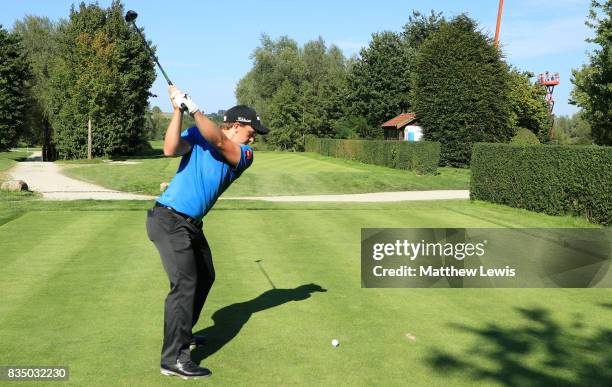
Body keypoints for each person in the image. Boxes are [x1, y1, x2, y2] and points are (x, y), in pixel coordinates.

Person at [146, 86, 269, 379]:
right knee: (185, 284)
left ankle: (183, 334)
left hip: (189, 225)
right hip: (168, 219)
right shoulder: (200, 135)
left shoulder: (243, 154)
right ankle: (173, 359)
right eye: (251, 132)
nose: (254, 138)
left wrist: (194, 108)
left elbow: (217, 140)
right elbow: (170, 148)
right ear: (236, 126)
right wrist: (178, 109)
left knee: (205, 275)